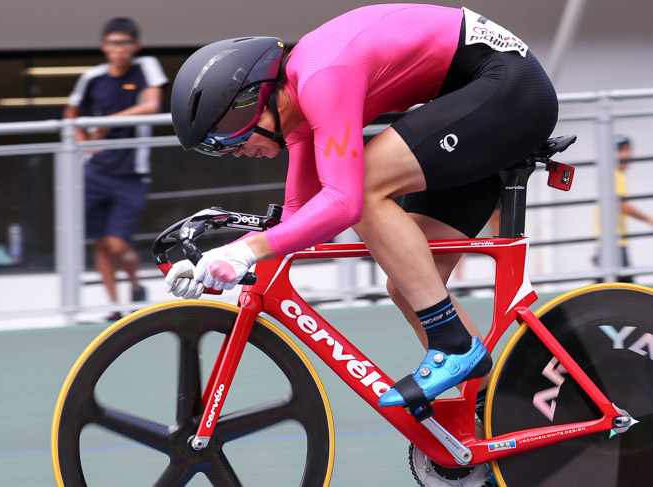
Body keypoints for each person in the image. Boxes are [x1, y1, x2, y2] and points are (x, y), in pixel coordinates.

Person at [166, 4, 558, 414]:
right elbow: (297, 215)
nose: (235, 152)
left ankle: (453, 345)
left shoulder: (321, 80)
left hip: (509, 88)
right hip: (470, 99)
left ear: (252, 104)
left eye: (227, 139)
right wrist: (211, 263)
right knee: (411, 286)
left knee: (364, 185)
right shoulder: (300, 115)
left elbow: (344, 203)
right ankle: (501, 415)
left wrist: (244, 252)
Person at [64, 17, 168, 320]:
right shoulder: (92, 78)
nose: (119, 49)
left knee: (117, 242)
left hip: (131, 172)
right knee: (100, 243)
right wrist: (83, 141)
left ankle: (135, 285)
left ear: (134, 46)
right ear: (103, 46)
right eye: (113, 43)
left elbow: (151, 105)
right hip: (95, 171)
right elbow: (71, 113)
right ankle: (114, 307)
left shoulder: (146, 67)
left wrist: (106, 126)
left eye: (124, 43)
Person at [593, 135, 653, 283]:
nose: (629, 155)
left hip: (611, 243)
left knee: (610, 286)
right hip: (613, 244)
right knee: (625, 287)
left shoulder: (613, 175)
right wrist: (649, 219)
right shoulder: (614, 175)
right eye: (625, 150)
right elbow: (621, 205)